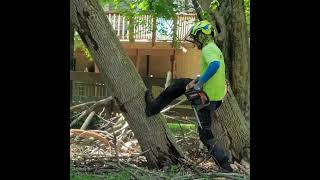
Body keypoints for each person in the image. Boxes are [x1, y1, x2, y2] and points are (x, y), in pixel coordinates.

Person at [144, 20, 233, 173]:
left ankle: (225, 167)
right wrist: (198, 79)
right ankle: (153, 108)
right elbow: (215, 71)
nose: (195, 40)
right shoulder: (215, 48)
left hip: (206, 98)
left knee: (205, 134)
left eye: (197, 36)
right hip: (215, 97)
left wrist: (199, 84)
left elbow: (214, 66)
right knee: (180, 84)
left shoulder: (207, 50)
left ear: (204, 35)